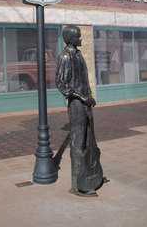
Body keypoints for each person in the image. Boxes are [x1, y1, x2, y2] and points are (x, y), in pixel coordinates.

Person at [56, 25, 102, 196]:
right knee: (77, 140)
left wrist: (89, 95)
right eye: (78, 36)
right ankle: (76, 183)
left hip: (85, 102)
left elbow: (82, 80)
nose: (81, 39)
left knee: (89, 139)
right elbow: (62, 84)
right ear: (70, 39)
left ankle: (89, 173)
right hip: (76, 104)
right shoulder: (65, 57)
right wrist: (83, 98)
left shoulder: (78, 54)